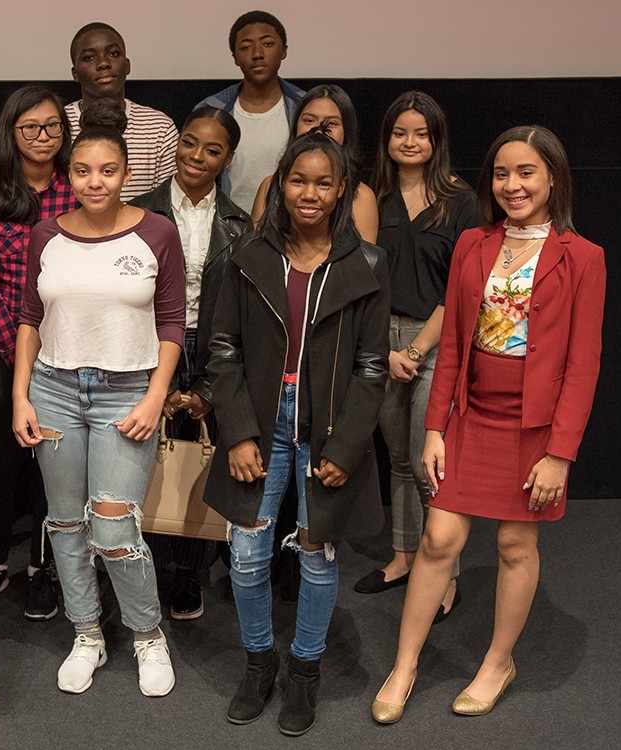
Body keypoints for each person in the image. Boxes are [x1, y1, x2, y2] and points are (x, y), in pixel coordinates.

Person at [370, 125, 605, 723]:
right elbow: (451, 343)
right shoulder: (474, 244)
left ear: (553, 177)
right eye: (502, 173)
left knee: (513, 544)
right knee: (439, 540)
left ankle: (498, 662)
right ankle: (405, 666)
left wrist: (560, 454)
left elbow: (583, 365)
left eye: (526, 173)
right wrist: (434, 427)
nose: (512, 185)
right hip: (470, 419)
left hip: (535, 433)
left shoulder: (583, 258)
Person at [201, 131, 388, 735]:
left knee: (316, 552)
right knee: (249, 553)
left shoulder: (367, 264)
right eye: (298, 180)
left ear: (341, 192)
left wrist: (347, 446)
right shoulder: (247, 255)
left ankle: (304, 670)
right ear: (281, 184)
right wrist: (238, 433)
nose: (310, 193)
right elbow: (222, 351)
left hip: (328, 426)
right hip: (260, 420)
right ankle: (259, 663)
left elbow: (371, 367)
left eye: (324, 183)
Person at [12, 103, 185, 698]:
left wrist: (156, 398)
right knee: (63, 524)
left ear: (125, 170)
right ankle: (87, 633)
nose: (94, 182)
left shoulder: (157, 232)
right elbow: (30, 318)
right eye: (83, 170)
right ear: (70, 173)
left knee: (113, 529)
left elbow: (172, 322)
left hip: (126, 393)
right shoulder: (46, 233)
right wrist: (19, 396)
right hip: (54, 391)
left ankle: (145, 633)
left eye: (107, 170)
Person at [351, 91, 477, 621]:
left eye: (420, 134)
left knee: (430, 466)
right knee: (398, 461)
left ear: (436, 140)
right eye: (400, 133)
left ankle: (440, 571)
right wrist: (384, 347)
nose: (409, 142)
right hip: (379, 339)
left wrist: (417, 349)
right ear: (388, 140)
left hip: (437, 339)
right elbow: (358, 277)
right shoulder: (371, 196)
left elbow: (462, 289)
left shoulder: (460, 200)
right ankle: (404, 558)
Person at [128, 105, 250, 621]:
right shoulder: (137, 211)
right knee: (144, 454)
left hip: (214, 346)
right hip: (148, 341)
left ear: (228, 159)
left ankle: (187, 574)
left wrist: (206, 387)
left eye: (213, 149)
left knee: (197, 463)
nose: (197, 156)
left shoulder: (240, 224)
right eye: (191, 143)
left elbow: (240, 314)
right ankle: (138, 567)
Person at [0, 85, 79, 620]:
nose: (41, 137)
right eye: (29, 127)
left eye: (52, 126)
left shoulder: (78, 191)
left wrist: (44, 357)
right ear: (11, 133)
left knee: (49, 468)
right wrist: (14, 358)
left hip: (66, 348)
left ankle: (42, 569)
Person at [196, 10, 307, 213]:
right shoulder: (211, 110)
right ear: (235, 57)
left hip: (293, 225)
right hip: (228, 227)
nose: (257, 54)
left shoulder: (305, 108)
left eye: (267, 44)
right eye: (246, 47)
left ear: (284, 50)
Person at [250, 85, 379, 244]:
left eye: (331, 123)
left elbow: (364, 263)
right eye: (309, 120)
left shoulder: (362, 196)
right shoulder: (270, 186)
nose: (318, 129)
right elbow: (255, 251)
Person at [62, 22, 177, 200]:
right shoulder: (58, 124)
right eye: (89, 58)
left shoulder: (160, 128)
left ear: (127, 65)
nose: (103, 63)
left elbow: (166, 203)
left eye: (114, 54)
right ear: (75, 73)